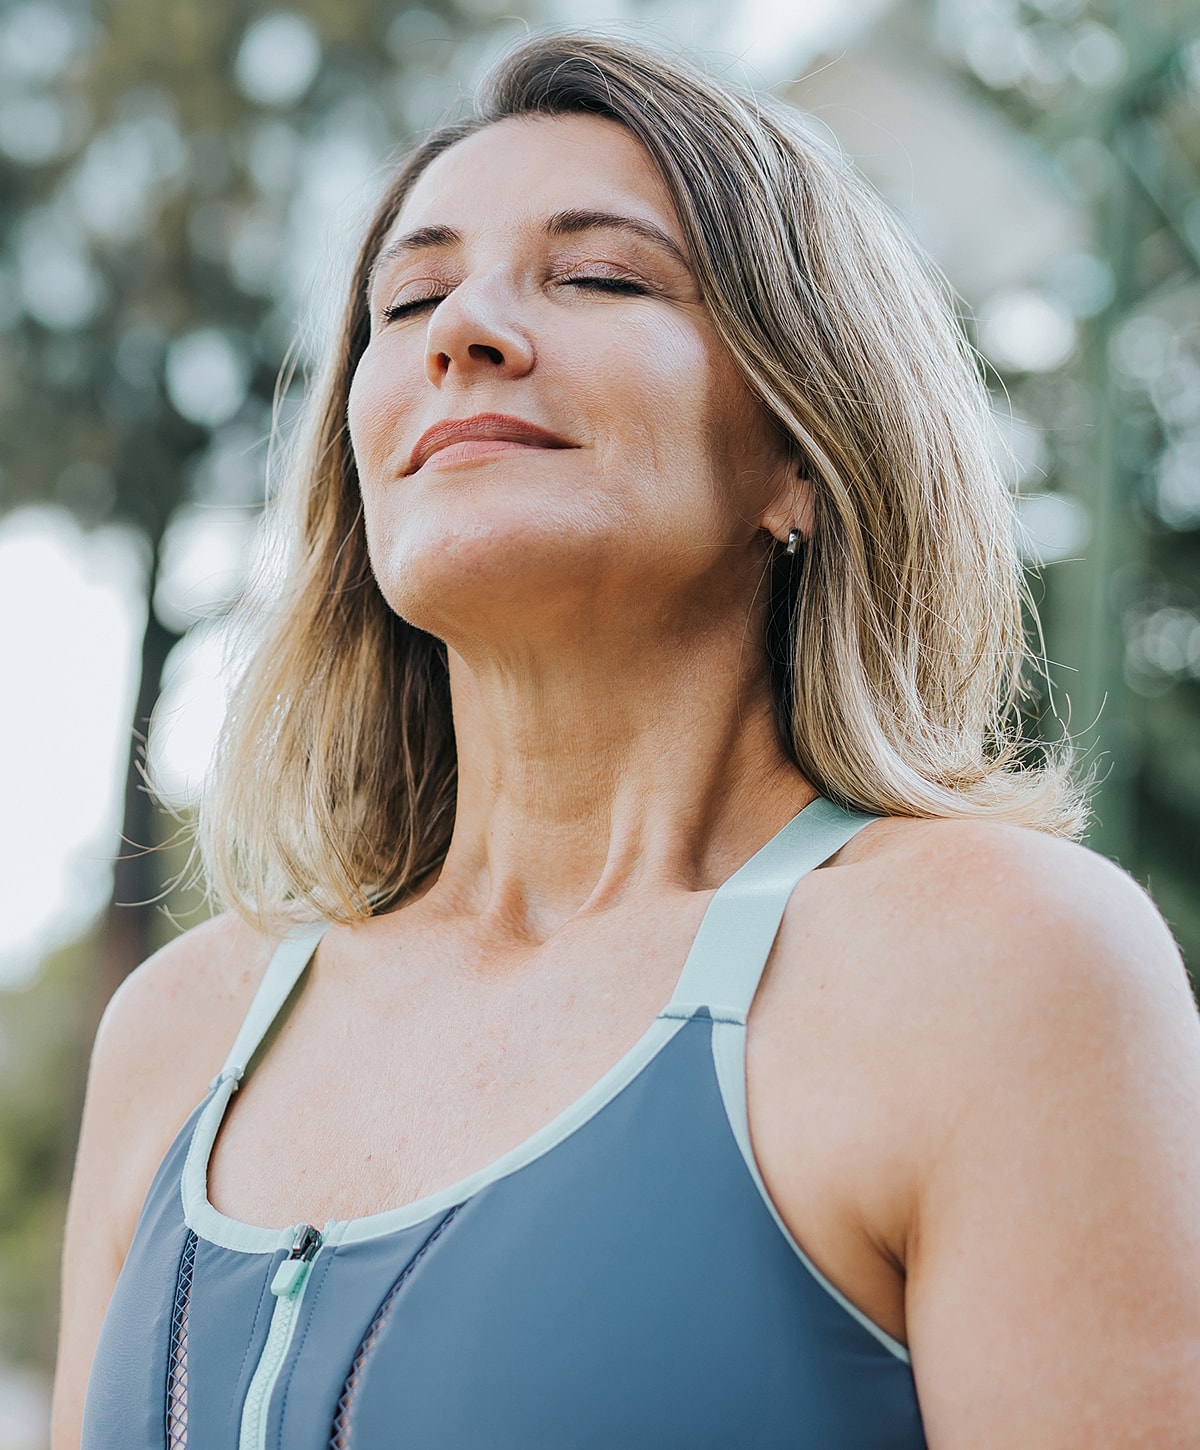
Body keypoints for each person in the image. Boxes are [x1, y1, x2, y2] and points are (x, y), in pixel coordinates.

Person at [54, 29, 1200, 1450]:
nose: (462, 332)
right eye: (406, 300)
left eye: (597, 275)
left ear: (801, 449)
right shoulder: (181, 1027)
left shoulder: (1004, 964)